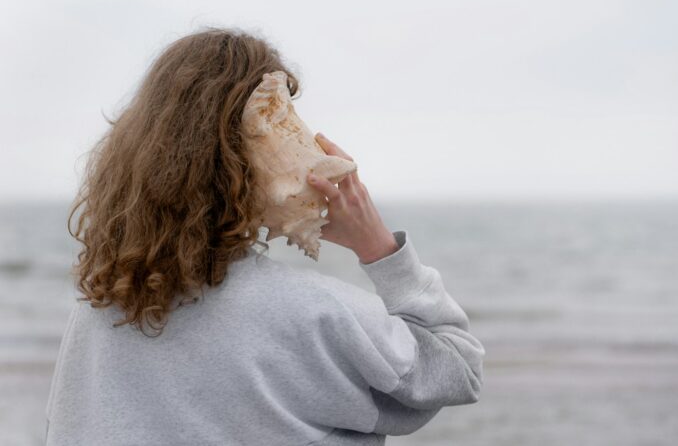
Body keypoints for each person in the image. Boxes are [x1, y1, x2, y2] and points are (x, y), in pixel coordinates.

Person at [45, 27, 484, 446]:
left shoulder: (98, 310)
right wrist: (379, 247)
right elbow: (458, 368)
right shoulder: (312, 315)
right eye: (283, 118)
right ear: (252, 147)